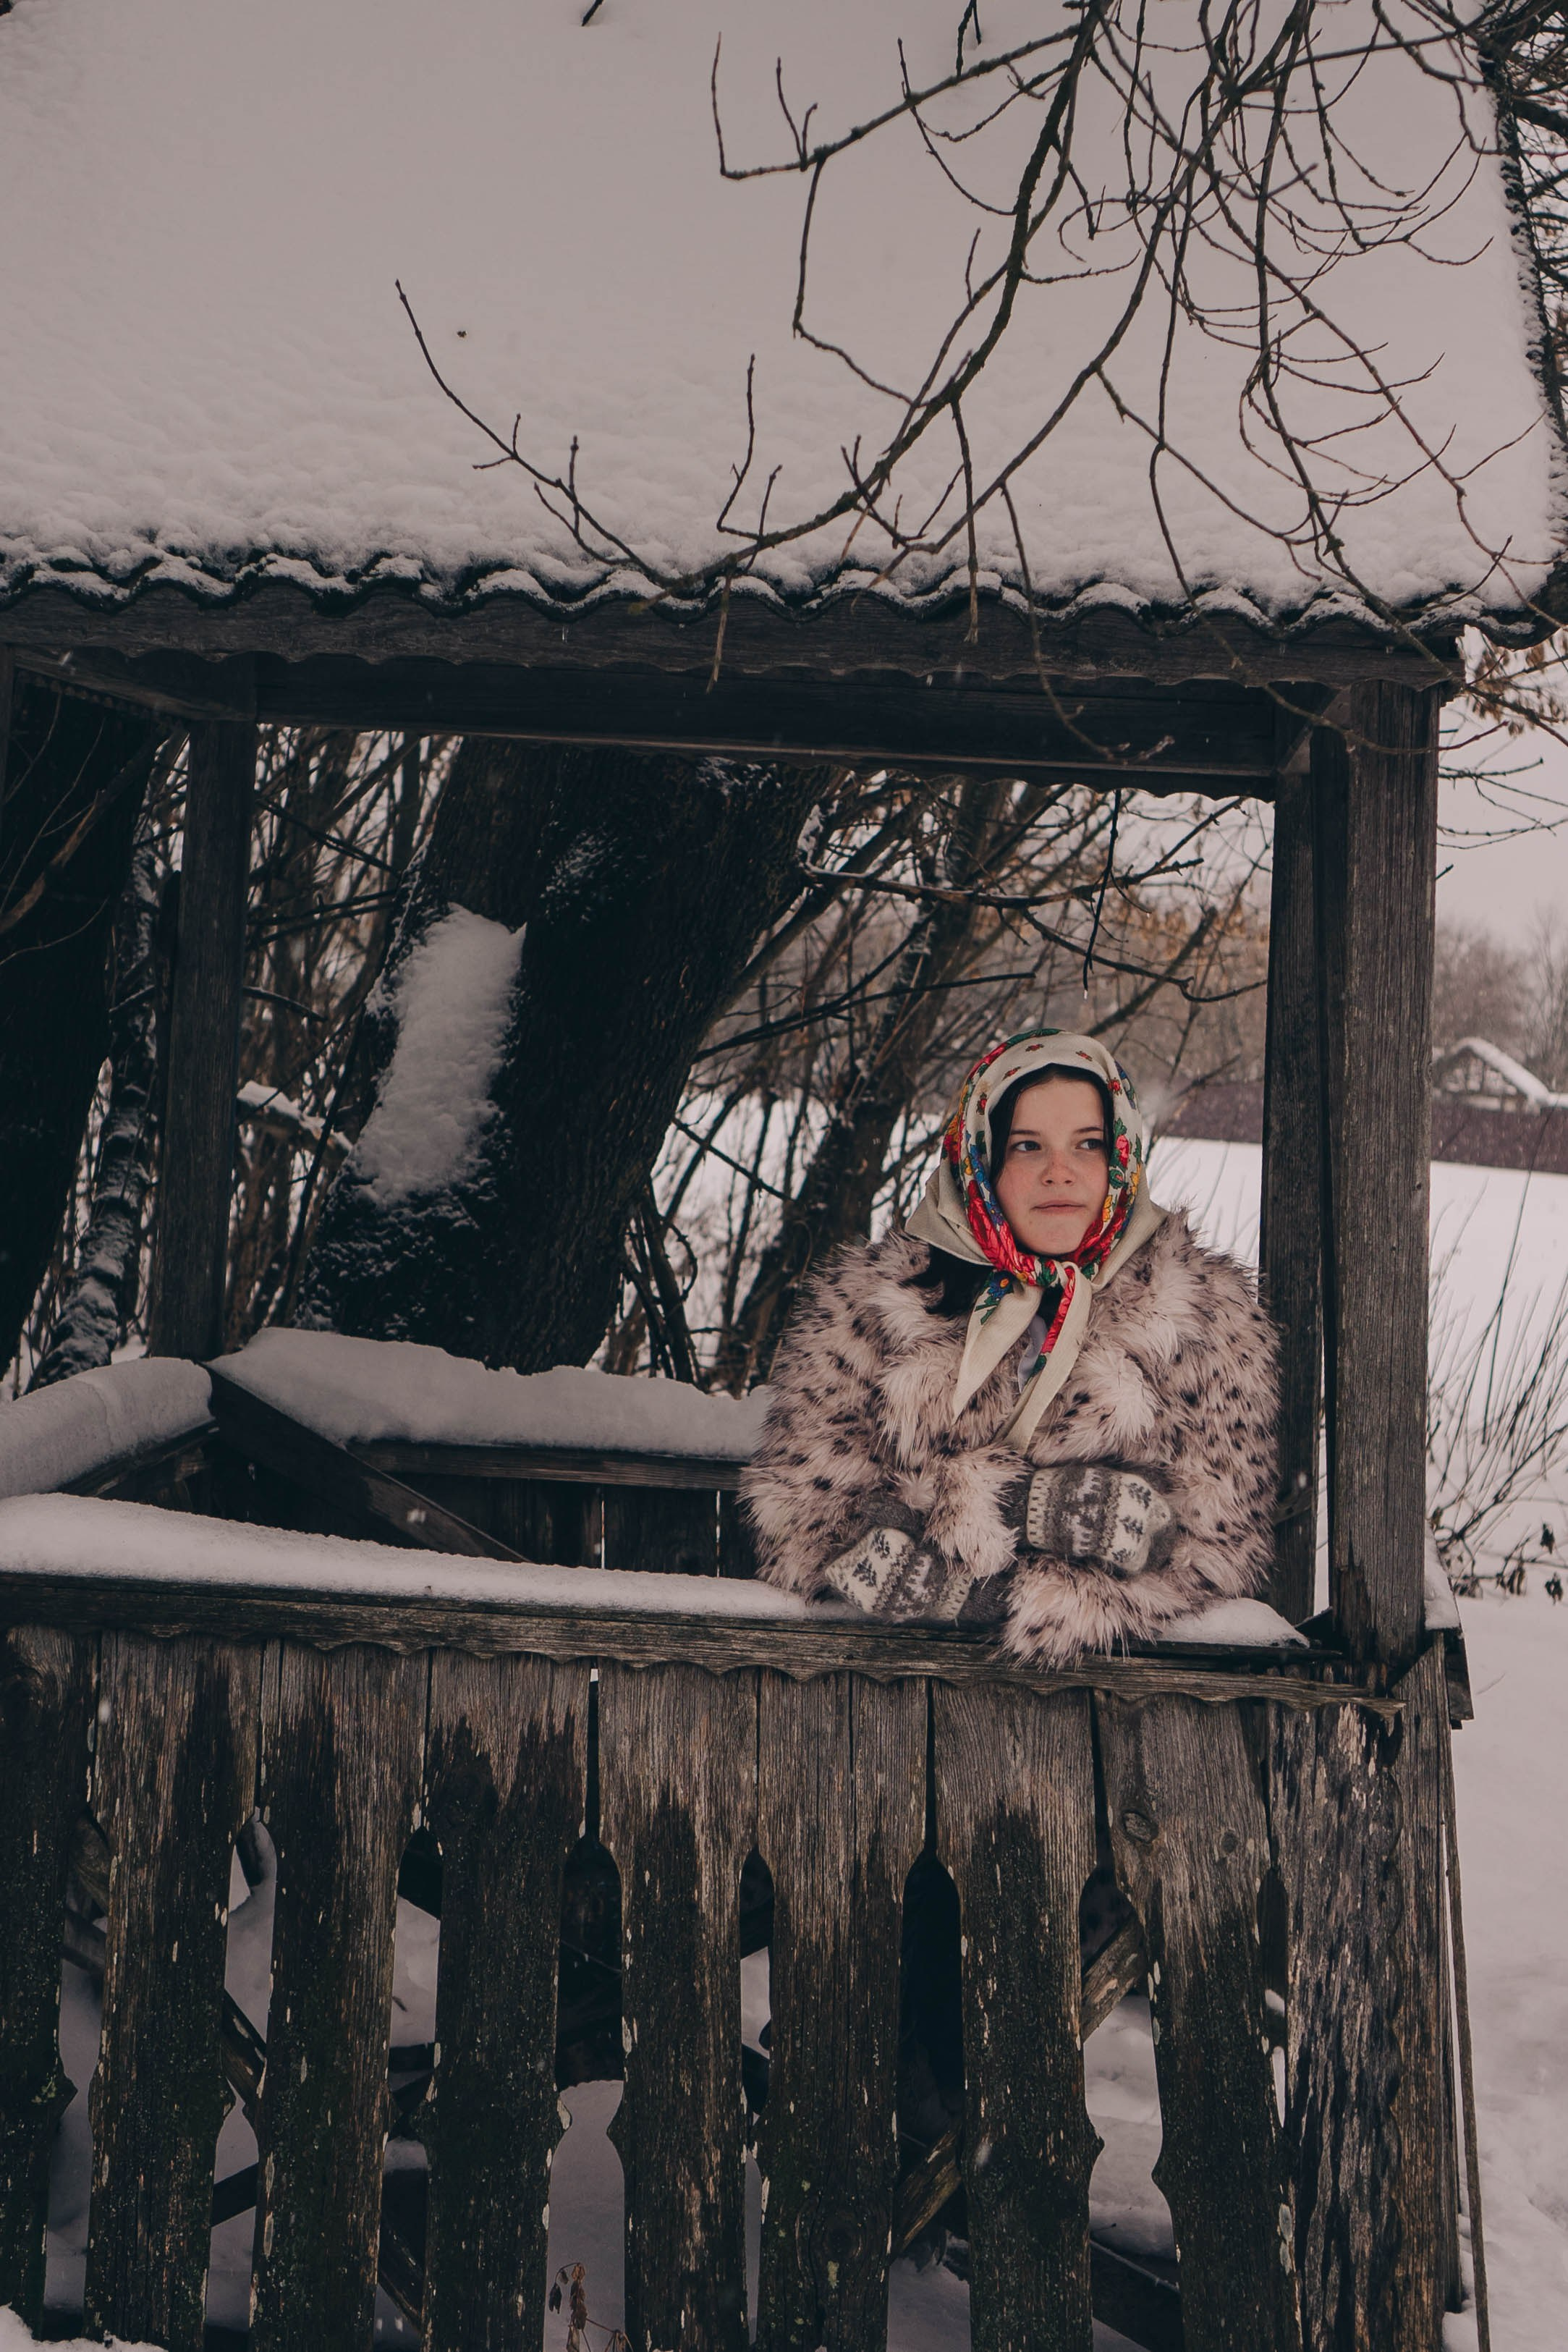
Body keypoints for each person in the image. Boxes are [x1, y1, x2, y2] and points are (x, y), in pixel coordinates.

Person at [742, 1028, 1280, 1662]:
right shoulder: (870, 1307)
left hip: (1116, 1710)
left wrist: (980, 1517)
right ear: (981, 1157)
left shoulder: (1204, 1316)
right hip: (896, 1702)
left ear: (1122, 1157)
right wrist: (998, 1568)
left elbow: (1218, 1546)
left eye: (1088, 1144)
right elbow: (802, 1526)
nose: (1060, 1171)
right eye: (1028, 1146)